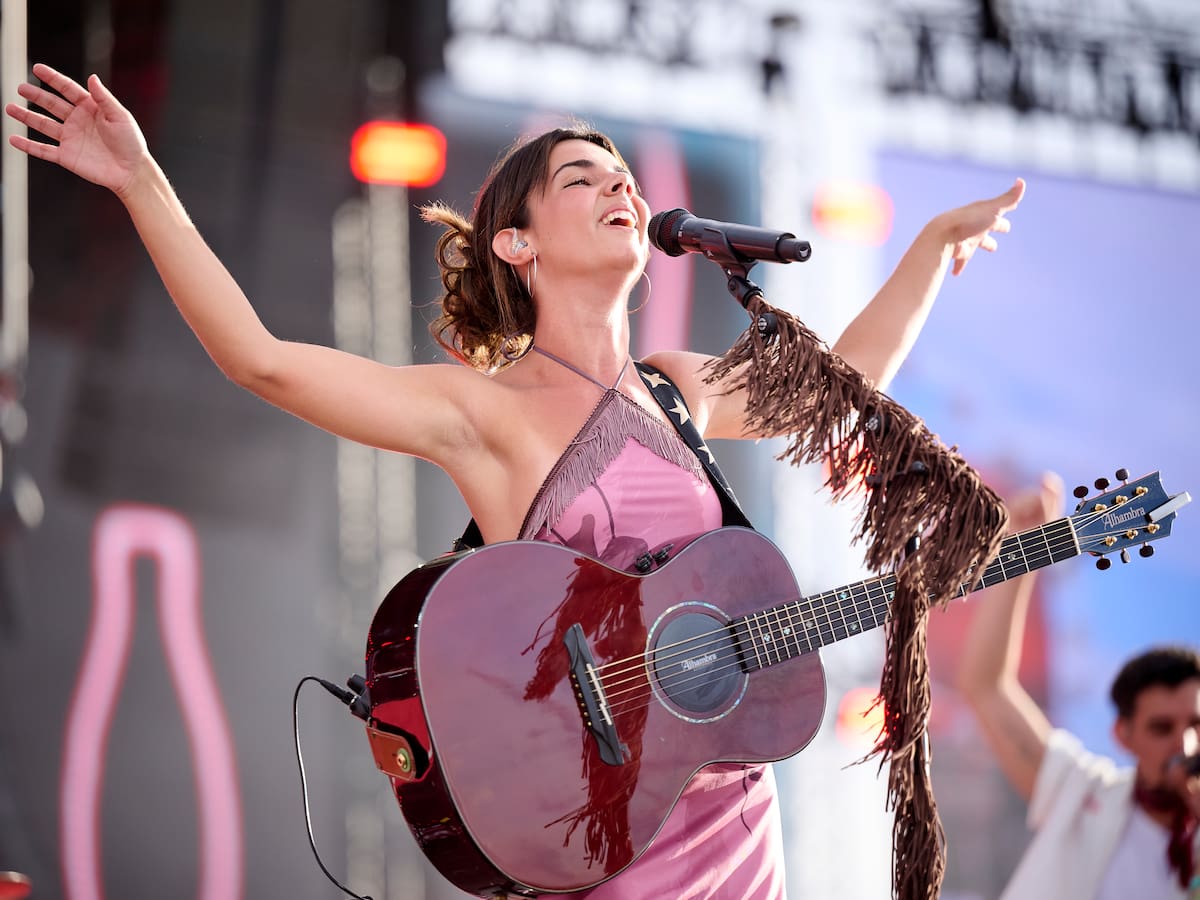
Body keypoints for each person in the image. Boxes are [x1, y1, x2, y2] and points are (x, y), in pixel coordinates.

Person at [8, 63, 1026, 900]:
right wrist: (141, 181)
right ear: (517, 241)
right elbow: (259, 359)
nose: (621, 186)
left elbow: (838, 392)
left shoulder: (675, 391)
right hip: (606, 829)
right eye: (585, 176)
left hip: (735, 821)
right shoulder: (480, 413)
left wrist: (930, 250)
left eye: (623, 173)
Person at [957, 472, 1200, 900]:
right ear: (1123, 735)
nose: (1186, 743)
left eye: (1196, 725)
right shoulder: (1086, 795)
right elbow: (985, 686)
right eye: (1163, 728)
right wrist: (1021, 553)